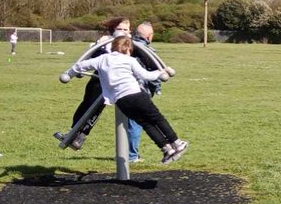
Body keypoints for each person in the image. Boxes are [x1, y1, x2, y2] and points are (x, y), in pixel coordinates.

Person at [63, 35, 188, 164]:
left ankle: (167, 149)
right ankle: (177, 143)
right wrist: (161, 72)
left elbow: (79, 66)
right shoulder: (129, 60)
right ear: (128, 49)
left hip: (121, 101)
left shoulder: (101, 59)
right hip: (136, 95)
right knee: (157, 118)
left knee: (146, 123)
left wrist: (69, 74)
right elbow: (145, 75)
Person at [54, 17, 130, 150]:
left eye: (125, 29)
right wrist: (98, 46)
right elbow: (92, 58)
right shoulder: (105, 42)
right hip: (98, 79)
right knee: (86, 105)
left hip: (116, 82)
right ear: (113, 29)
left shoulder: (131, 43)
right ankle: (73, 134)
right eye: (119, 29)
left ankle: (80, 136)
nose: (122, 32)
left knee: (96, 109)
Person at [126, 22, 163, 163]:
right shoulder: (146, 51)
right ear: (149, 36)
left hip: (120, 90)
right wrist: (157, 88)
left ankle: (127, 153)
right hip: (138, 92)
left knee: (128, 122)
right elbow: (154, 72)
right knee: (137, 122)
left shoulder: (125, 47)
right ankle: (132, 155)